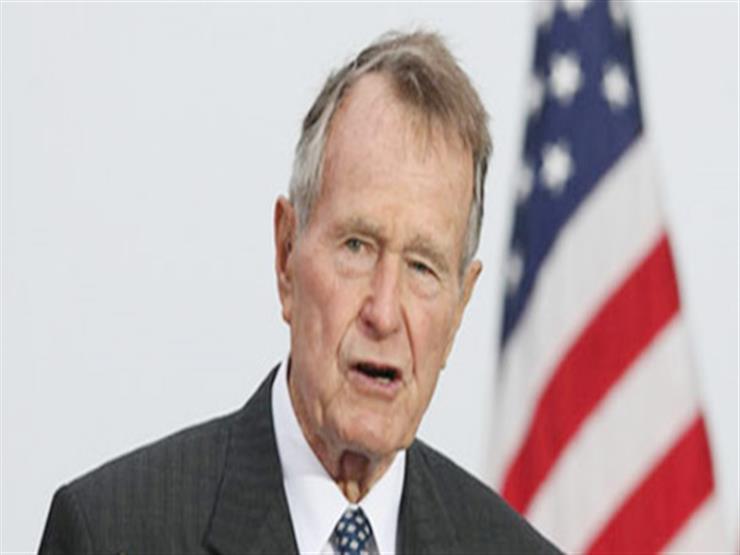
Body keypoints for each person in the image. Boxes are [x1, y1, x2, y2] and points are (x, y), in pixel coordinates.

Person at [39, 31, 560, 554]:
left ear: (460, 307)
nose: (383, 312)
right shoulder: (111, 534)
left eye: (422, 267)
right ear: (286, 253)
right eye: (357, 246)